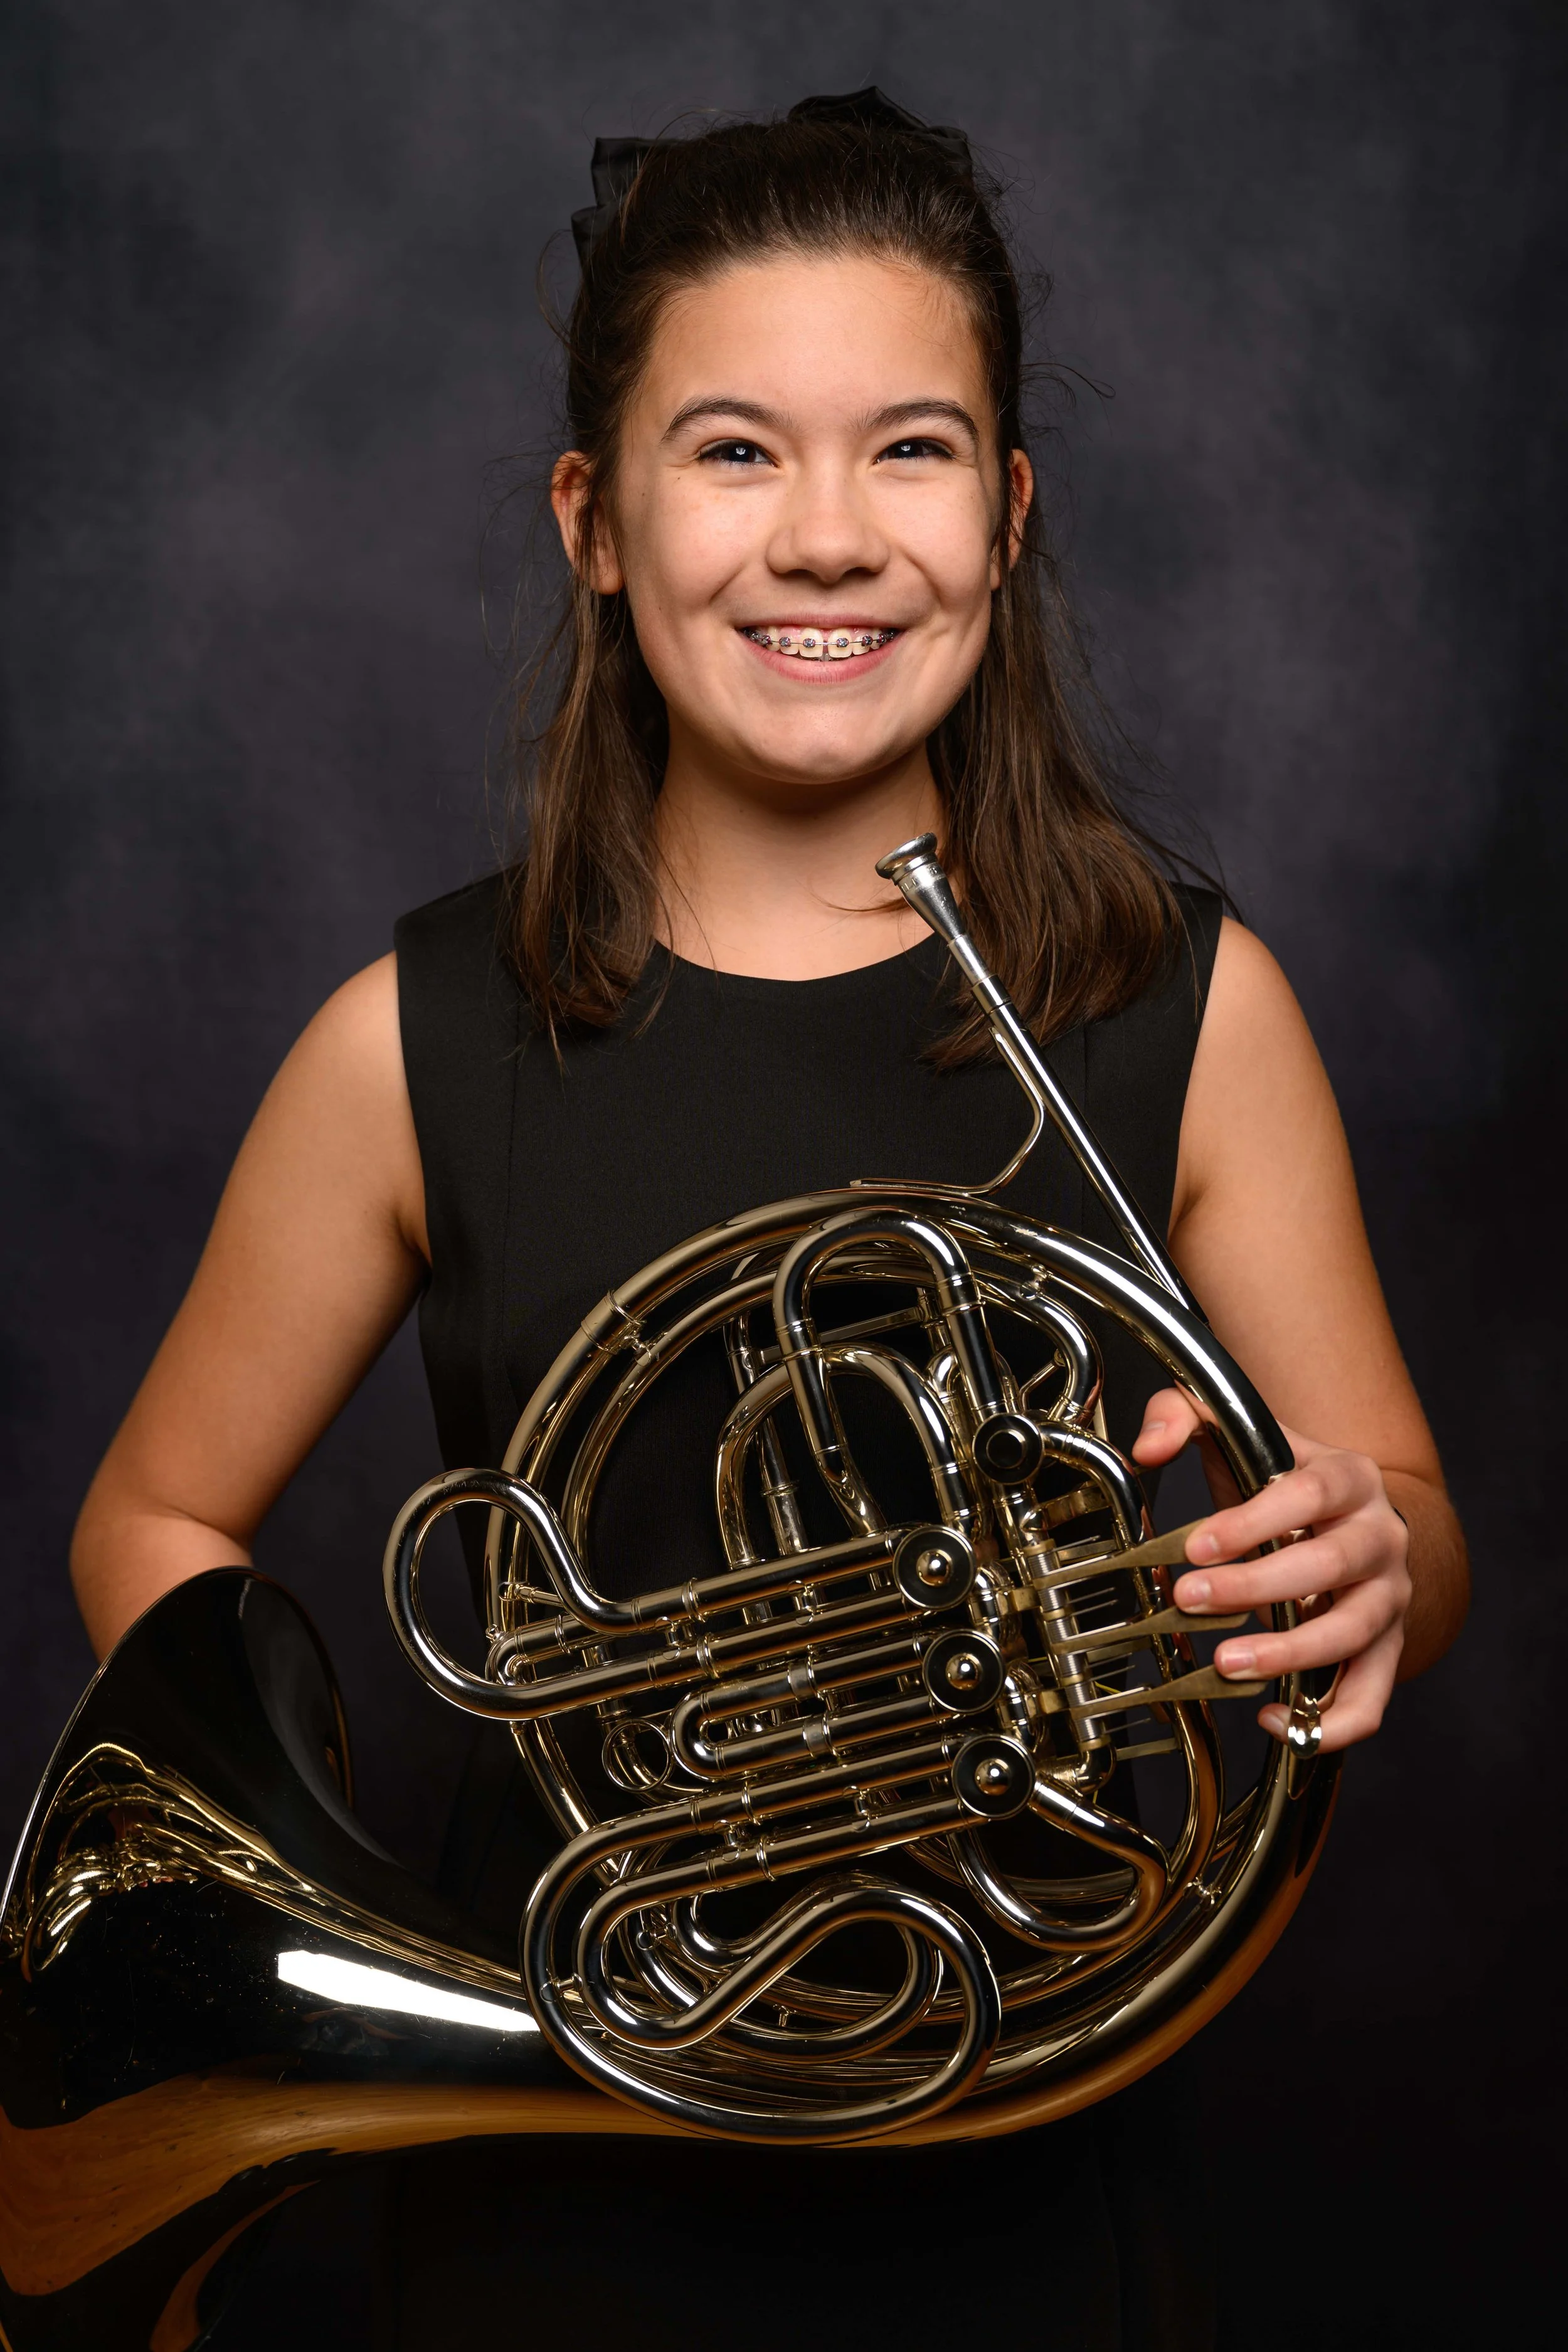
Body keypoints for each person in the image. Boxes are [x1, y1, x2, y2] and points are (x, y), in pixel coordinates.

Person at [68, 90, 1468, 2351]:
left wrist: (1376, 1549)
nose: (826, 538)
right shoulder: (409, 1042)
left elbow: (1397, 1503)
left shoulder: (1187, 1011)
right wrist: (323, 1887)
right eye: (731, 452)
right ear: (593, 523)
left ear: (1006, 518)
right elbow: (152, 1515)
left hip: (1033, 2193)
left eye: (910, 450)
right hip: (553, 2195)